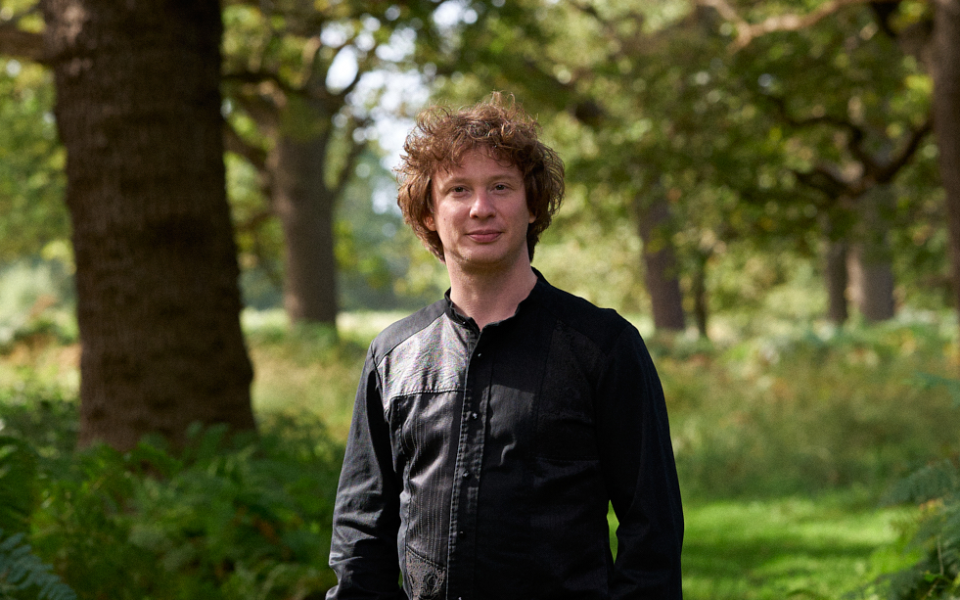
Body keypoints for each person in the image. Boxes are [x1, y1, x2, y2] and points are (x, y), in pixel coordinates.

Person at [326, 93, 684, 600]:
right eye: (457, 190)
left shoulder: (604, 347)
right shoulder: (392, 356)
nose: (481, 208)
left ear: (532, 203)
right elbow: (361, 536)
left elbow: (654, 533)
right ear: (429, 212)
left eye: (500, 187)